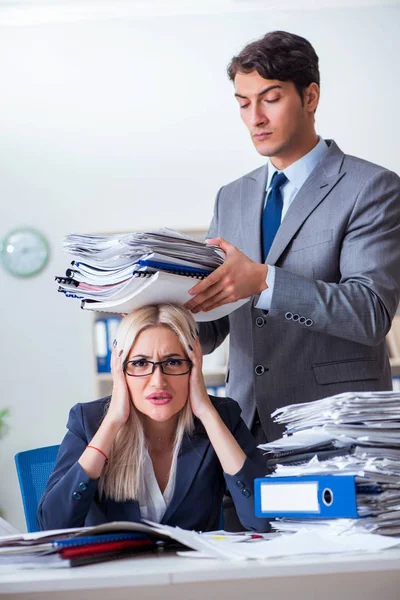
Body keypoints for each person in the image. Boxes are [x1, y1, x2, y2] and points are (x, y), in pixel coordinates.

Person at [185, 30, 400, 442]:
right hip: (244, 430)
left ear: (310, 97)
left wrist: (264, 282)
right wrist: (154, 309)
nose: (255, 118)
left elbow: (371, 313)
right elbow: (212, 326)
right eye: (244, 103)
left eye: (270, 98)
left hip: (335, 428)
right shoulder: (230, 197)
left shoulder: (371, 187)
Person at [38, 304, 270, 533]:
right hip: (114, 569)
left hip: (193, 570)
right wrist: (112, 423)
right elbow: (53, 526)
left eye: (173, 362)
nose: (158, 381)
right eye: (139, 363)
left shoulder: (221, 418)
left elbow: (264, 519)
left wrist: (207, 414)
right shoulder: (88, 421)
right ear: (120, 369)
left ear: (194, 365)